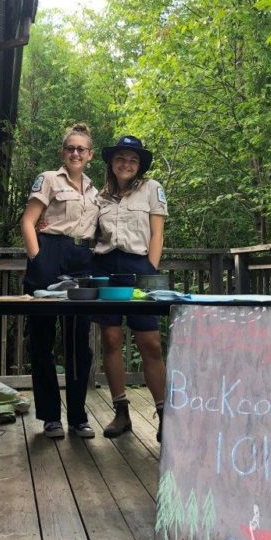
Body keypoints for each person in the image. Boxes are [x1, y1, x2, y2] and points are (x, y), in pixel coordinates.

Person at [21, 123, 100, 439]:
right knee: (42, 338)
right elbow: (28, 221)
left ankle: (79, 417)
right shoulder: (49, 179)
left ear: (90, 155)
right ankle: (51, 417)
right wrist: (38, 259)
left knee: (79, 340)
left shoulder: (97, 191)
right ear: (62, 152)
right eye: (70, 148)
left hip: (83, 260)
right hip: (50, 252)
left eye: (81, 149)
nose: (75, 153)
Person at [91, 135, 168, 441]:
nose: (126, 163)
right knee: (110, 338)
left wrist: (150, 272)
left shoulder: (152, 189)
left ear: (140, 165)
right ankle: (121, 411)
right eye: (121, 158)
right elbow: (87, 231)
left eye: (133, 159)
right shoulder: (100, 196)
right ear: (112, 162)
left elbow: (157, 234)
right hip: (105, 267)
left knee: (149, 342)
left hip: (140, 267)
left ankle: (165, 415)